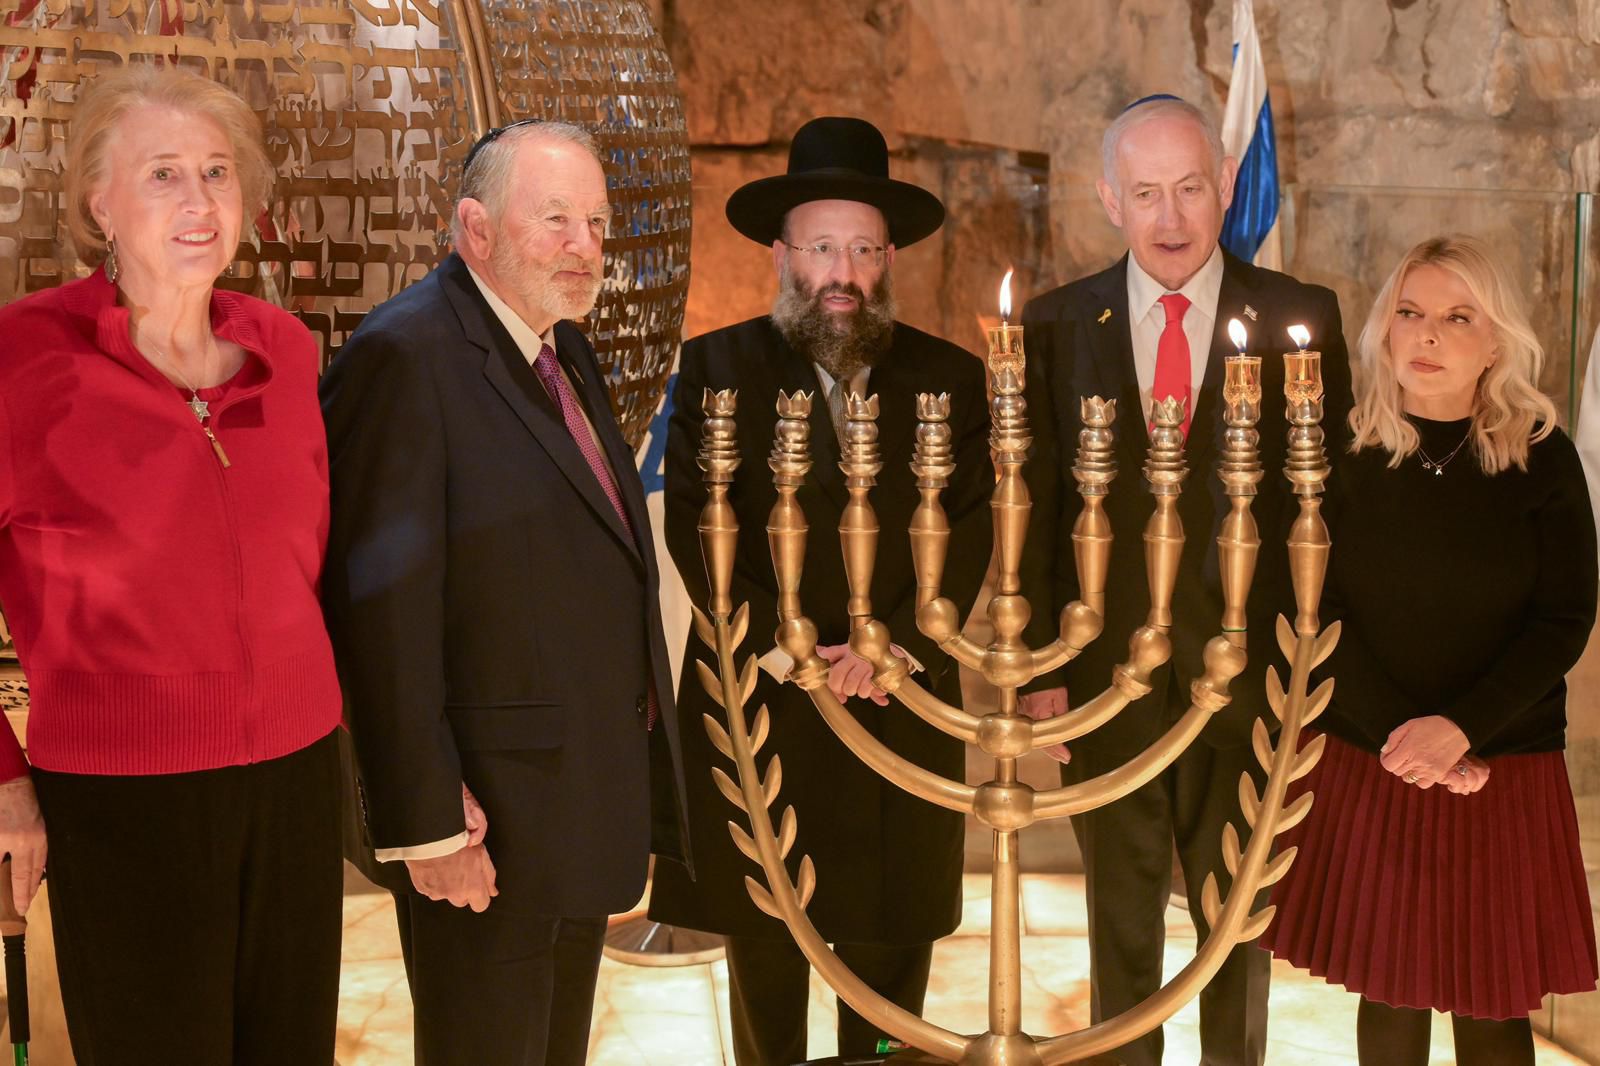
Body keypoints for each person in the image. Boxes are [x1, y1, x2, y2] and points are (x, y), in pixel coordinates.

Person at [319, 119, 691, 1066]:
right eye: (554, 218)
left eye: (596, 223)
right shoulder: (406, 356)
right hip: (484, 822)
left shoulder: (560, 346)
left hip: (571, 807)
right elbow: (378, 613)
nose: (583, 246)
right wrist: (428, 825)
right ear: (475, 229)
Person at [0, 65, 344, 1063]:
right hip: (123, 795)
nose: (201, 200)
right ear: (97, 203)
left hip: (296, 778)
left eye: (217, 172)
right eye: (163, 174)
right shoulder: (23, 358)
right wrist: (4, 780)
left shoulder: (286, 350)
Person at [646, 116, 994, 1064]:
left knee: (888, 988)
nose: (844, 273)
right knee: (767, 964)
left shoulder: (951, 378)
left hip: (899, 705)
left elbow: (971, 528)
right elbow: (696, 525)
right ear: (781, 255)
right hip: (764, 705)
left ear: (889, 260)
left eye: (864, 251)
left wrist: (893, 646)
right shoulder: (715, 369)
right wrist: (791, 647)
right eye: (822, 248)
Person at [1016, 94, 1353, 1066]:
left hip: (1250, 671)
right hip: (1105, 669)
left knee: (1237, 916)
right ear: (1108, 199)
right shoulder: (1055, 323)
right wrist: (1042, 664)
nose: (1170, 219)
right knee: (1117, 916)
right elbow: (1034, 502)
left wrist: (1313, 667)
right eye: (1146, 193)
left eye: (1192, 188)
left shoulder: (1299, 318)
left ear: (1227, 186)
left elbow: (1325, 505)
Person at [1261, 234, 1598, 1066]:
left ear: (1497, 342)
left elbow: (1563, 619)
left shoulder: (1544, 457)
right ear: (1385, 328)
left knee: (1492, 1007)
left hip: (1501, 762)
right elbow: (1313, 609)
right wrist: (1407, 743)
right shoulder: (1342, 451)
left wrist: (1460, 731)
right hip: (1372, 754)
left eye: (1458, 317)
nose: (1429, 335)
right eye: (1410, 312)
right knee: (1389, 994)